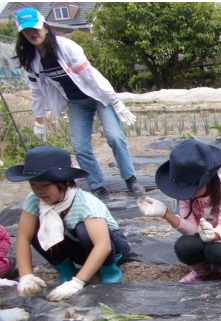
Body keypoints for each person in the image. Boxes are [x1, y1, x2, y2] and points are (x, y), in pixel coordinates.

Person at [14, 7, 143, 198]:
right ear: (22, 34)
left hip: (98, 97)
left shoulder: (66, 47)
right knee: (80, 147)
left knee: (115, 137)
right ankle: (98, 185)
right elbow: (37, 92)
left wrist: (115, 101)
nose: (33, 33)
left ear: (46, 27)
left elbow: (91, 75)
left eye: (36, 28)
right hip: (76, 102)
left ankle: (131, 178)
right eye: (26, 30)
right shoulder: (32, 60)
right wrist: (39, 121)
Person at [6, 146, 131, 302]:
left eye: (45, 185)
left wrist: (77, 283)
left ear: (65, 182)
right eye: (33, 184)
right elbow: (23, 237)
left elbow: (103, 245)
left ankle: (109, 271)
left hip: (111, 247)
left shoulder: (85, 203)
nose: (39, 191)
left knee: (83, 229)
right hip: (78, 248)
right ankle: (66, 272)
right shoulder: (35, 200)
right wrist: (26, 276)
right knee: (38, 229)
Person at [136, 139, 221, 282]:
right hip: (200, 235)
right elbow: (191, 229)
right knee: (183, 246)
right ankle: (201, 271)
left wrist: (213, 235)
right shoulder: (186, 193)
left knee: (216, 251)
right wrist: (165, 214)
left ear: (206, 180)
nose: (186, 193)